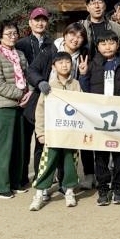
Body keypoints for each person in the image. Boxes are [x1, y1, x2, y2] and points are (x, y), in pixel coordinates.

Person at [79, 29, 120, 205]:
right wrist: (83, 75)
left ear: (118, 44)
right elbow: (86, 91)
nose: (107, 47)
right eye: (103, 44)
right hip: (99, 118)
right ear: (97, 47)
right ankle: (103, 189)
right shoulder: (93, 64)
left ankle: (119, 188)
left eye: (111, 43)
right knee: (100, 156)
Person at [28, 22, 94, 190]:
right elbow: (32, 70)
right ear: (64, 35)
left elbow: (84, 87)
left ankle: (66, 184)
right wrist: (40, 82)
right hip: (48, 104)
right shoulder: (50, 51)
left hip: (70, 110)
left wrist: (84, 74)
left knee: (68, 146)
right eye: (72, 34)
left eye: (80, 37)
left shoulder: (84, 55)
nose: (75, 39)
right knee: (43, 145)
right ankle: (41, 182)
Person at [29, 52, 84, 211]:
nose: (64, 65)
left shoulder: (76, 85)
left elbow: (83, 107)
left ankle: (69, 190)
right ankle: (40, 193)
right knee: (48, 162)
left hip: (71, 132)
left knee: (70, 161)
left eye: (67, 62)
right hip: (53, 133)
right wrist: (40, 132)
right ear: (54, 66)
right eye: (60, 62)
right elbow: (40, 110)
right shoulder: (49, 86)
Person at [0, 20, 31, 199]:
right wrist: (19, 94)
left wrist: (29, 93)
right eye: (8, 34)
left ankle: (15, 181)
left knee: (18, 146)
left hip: (21, 105)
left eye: (15, 33)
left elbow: (27, 76)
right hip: (3, 105)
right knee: (3, 147)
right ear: (0, 37)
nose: (13, 37)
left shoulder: (20, 54)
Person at [14, 7, 53, 183]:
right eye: (37, 20)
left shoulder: (51, 44)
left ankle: (41, 175)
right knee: (23, 139)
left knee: (41, 138)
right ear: (30, 23)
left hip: (44, 95)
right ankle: (21, 176)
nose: (40, 23)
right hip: (26, 96)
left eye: (43, 20)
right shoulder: (21, 44)